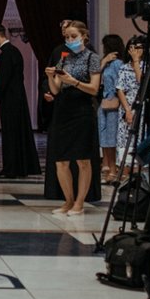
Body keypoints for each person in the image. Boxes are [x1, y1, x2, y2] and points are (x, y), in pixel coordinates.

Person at [46, 20, 102, 215]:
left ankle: (80, 202)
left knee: (82, 160)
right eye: (67, 37)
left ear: (84, 36)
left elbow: (94, 89)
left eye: (73, 36)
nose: (70, 40)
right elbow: (55, 90)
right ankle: (68, 200)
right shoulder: (64, 58)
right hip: (63, 110)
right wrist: (50, 76)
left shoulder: (92, 58)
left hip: (82, 110)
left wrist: (74, 81)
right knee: (61, 160)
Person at [0, 24, 37, 179]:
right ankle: (18, 167)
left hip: (10, 99)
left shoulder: (5, 54)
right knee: (17, 133)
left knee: (9, 134)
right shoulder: (15, 51)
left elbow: (3, 82)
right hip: (19, 97)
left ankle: (10, 169)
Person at [114, 36, 145, 173]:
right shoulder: (124, 67)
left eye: (138, 47)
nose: (134, 51)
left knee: (141, 136)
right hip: (127, 105)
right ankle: (125, 171)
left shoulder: (148, 66)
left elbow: (141, 81)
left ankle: (140, 171)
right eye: (132, 48)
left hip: (143, 106)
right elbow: (120, 89)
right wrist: (127, 109)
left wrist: (136, 61)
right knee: (125, 138)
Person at [97, 33, 125, 183]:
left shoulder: (118, 64)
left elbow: (119, 84)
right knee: (104, 136)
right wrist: (103, 62)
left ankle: (113, 169)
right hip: (104, 101)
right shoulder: (107, 63)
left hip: (113, 102)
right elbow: (95, 76)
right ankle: (108, 166)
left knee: (111, 137)